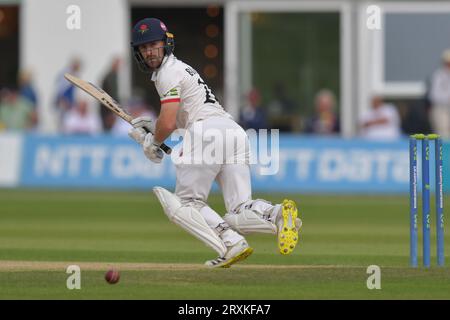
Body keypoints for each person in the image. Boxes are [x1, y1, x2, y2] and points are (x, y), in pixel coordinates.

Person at [127, 18, 302, 268]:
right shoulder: (182, 69)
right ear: (139, 52)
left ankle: (230, 243)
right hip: (232, 131)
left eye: (153, 44)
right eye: (144, 48)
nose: (149, 52)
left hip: (206, 133)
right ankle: (276, 215)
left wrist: (152, 142)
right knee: (238, 210)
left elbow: (168, 124)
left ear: (166, 44)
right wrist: (153, 130)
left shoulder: (167, 73)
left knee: (187, 204)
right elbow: (177, 119)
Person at [429, 49, 450, 138]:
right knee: (444, 134)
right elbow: (434, 96)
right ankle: (445, 152)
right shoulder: (438, 76)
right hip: (441, 109)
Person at [101, 57, 121, 132]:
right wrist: (111, 111)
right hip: (108, 109)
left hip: (110, 109)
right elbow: (109, 95)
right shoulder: (110, 77)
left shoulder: (113, 76)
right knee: (108, 129)